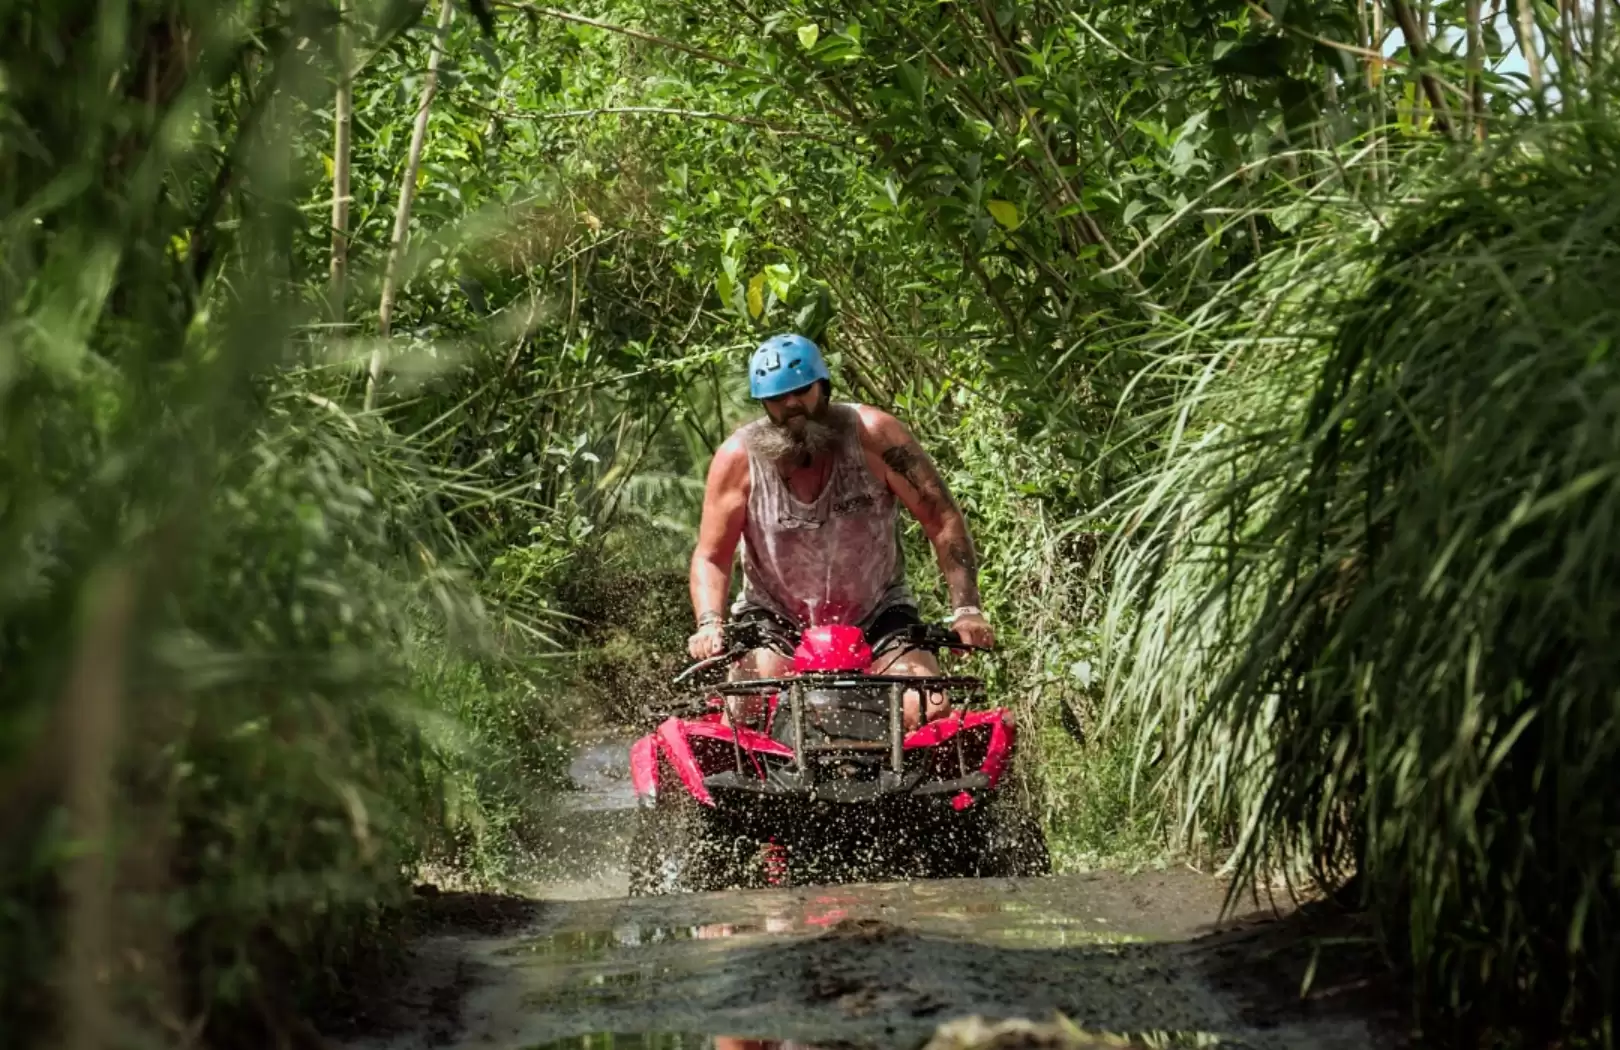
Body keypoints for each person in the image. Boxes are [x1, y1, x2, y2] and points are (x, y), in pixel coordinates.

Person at [687, 332, 994, 729]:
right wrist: (709, 623)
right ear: (763, 403)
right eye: (778, 398)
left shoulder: (876, 435)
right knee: (744, 710)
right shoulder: (738, 459)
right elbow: (712, 555)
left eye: (802, 392)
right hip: (774, 620)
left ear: (824, 387)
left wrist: (967, 610)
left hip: (879, 614)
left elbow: (941, 518)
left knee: (926, 708)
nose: (792, 405)